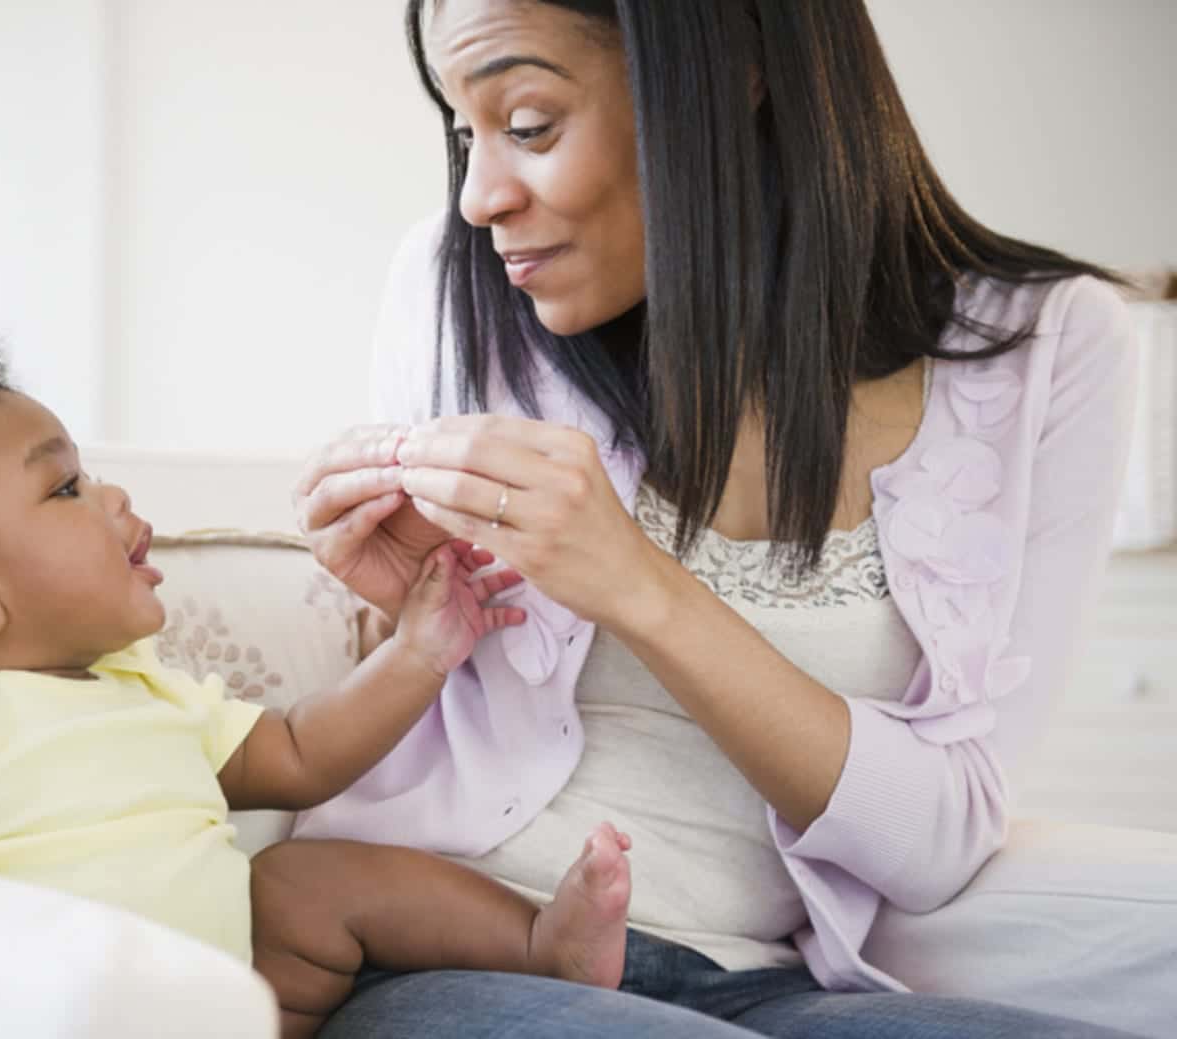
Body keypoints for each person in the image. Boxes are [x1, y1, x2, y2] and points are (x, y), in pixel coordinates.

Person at [291, 1, 1142, 1036]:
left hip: (777, 983)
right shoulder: (451, 289)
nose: (480, 198)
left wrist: (641, 587)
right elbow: (379, 740)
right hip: (447, 951)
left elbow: (942, 839)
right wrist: (409, 622)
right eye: (465, 135)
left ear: (733, 72)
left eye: (527, 125)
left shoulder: (1049, 347)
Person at [0, 325, 639, 1039]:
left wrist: (419, 652)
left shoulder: (139, 687)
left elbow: (295, 755)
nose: (114, 498)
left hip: (238, 1006)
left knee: (299, 884)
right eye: (65, 490)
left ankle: (538, 946)